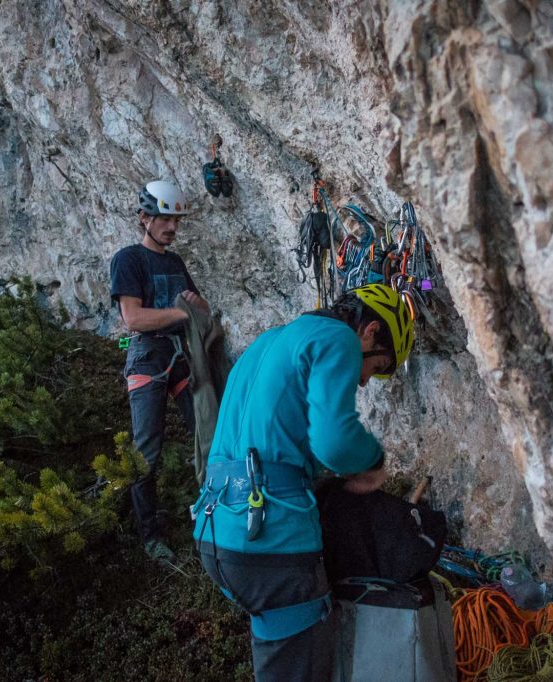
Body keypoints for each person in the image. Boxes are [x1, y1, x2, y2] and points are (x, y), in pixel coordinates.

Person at [191, 284, 415, 681]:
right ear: (371, 331)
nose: (364, 382)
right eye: (376, 367)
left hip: (218, 535)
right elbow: (335, 441)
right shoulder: (338, 338)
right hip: (272, 541)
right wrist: (374, 462)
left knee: (280, 658)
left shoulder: (268, 342)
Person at [110, 180, 209, 565]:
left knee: (205, 431)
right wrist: (183, 314)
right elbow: (133, 317)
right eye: (164, 219)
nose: (172, 227)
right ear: (144, 218)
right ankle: (150, 536)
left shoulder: (175, 262)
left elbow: (195, 303)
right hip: (148, 357)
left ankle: (213, 510)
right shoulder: (128, 259)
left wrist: (199, 309)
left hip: (179, 354)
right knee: (146, 452)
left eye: (175, 220)